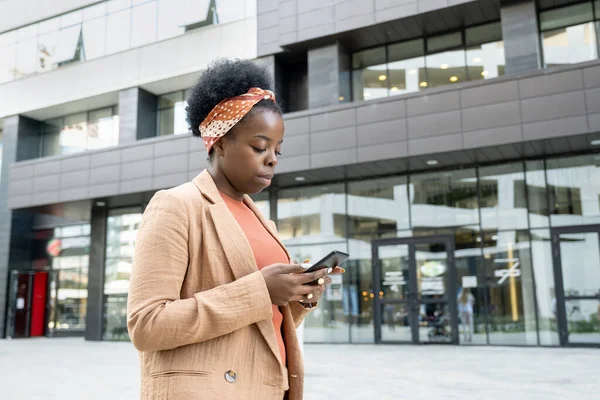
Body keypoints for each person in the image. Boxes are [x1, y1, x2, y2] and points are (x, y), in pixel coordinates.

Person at [126, 59, 344, 400]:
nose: (271, 158)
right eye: (259, 147)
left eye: (277, 150)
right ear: (221, 142)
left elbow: (259, 322)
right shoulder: (176, 205)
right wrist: (261, 291)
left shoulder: (262, 222)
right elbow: (147, 325)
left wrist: (297, 299)